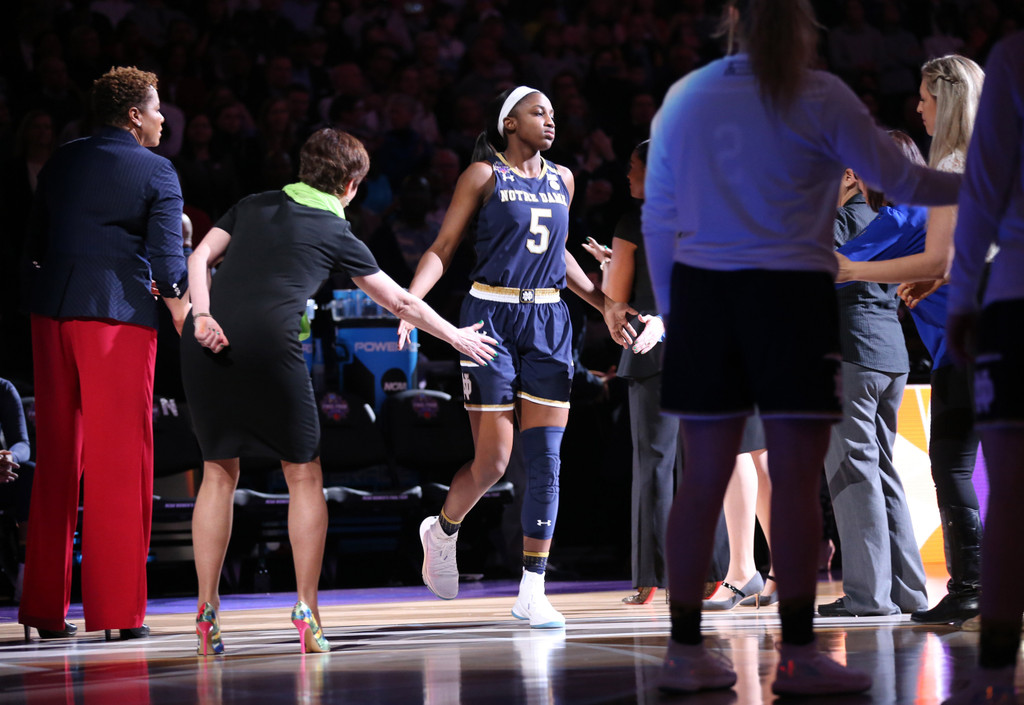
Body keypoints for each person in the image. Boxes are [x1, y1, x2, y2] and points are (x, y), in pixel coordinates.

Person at [642, 0, 961, 696]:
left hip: (710, 295)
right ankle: (795, 651)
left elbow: (658, 214)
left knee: (711, 479)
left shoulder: (687, 98)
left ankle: (688, 647)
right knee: (787, 477)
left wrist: (674, 311)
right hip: (784, 301)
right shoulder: (820, 93)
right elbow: (904, 181)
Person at [181, 127, 496, 656]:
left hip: (204, 341)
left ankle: (206, 613)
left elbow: (198, 258)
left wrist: (203, 314)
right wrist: (456, 335)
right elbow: (399, 300)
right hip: (270, 345)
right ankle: (306, 608)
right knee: (303, 474)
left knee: (217, 472)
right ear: (351, 185)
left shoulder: (253, 203)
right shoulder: (335, 229)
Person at [400, 86, 634, 629]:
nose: (550, 120)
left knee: (548, 459)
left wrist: (606, 306)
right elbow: (443, 246)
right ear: (510, 123)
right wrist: (411, 302)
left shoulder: (564, 179)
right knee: (495, 461)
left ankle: (533, 588)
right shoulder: (482, 176)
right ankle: (443, 529)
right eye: (538, 112)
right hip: (492, 317)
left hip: (550, 321)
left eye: (553, 113)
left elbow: (560, 259)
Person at [18, 66, 189, 642]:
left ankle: (43, 609)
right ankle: (116, 614)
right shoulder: (157, 170)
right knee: (121, 463)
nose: (165, 117)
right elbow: (169, 271)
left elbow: (35, 244)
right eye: (158, 108)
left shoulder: (62, 160)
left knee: (58, 461)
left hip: (51, 313)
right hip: (114, 318)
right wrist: (187, 310)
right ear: (135, 115)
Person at [837, 54, 985, 627]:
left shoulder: (939, 174)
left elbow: (835, 262)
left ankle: (969, 586)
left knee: (947, 464)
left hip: (962, 339)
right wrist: (934, 275)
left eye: (924, 98)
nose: (919, 107)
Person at [945, 30, 1024, 705]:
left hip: (1016, 296)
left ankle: (996, 674)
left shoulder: (1015, 56)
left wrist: (963, 296)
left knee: (1012, 490)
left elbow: (984, 188)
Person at [817, 164, 930, 618]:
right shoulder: (888, 217)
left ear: (847, 176)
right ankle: (908, 592)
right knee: (884, 474)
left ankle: (868, 596)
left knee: (853, 474)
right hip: (891, 355)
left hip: (852, 353)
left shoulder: (842, 220)